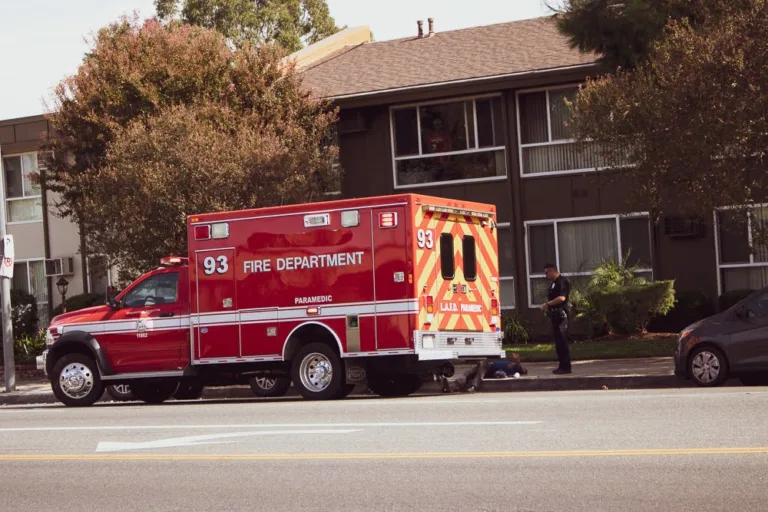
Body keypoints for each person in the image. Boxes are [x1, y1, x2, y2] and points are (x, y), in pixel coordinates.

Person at [540, 263, 572, 374]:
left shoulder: (561, 282)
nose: (546, 275)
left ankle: (566, 367)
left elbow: (562, 298)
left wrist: (547, 304)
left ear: (552, 270)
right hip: (555, 316)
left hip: (562, 315)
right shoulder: (554, 283)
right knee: (558, 342)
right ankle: (561, 366)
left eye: (546, 273)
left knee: (562, 341)